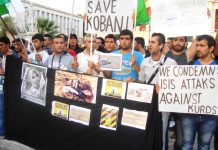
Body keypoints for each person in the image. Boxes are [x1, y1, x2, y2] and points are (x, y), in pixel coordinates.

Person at [138, 33, 177, 150]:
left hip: (162, 104)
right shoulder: (144, 62)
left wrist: (163, 90)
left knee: (161, 132)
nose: (149, 45)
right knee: (147, 130)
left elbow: (175, 86)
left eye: (153, 42)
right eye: (149, 42)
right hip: (148, 102)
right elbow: (141, 81)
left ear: (161, 45)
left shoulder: (171, 63)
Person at [181, 35, 217, 150]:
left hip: (210, 116)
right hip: (189, 114)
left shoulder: (216, 68)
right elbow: (180, 87)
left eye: (202, 46)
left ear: (211, 48)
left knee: (204, 146)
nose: (198, 48)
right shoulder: (190, 65)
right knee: (186, 145)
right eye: (197, 45)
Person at [163, 36, 197, 150]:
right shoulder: (166, 54)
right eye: (176, 40)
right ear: (171, 42)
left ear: (186, 43)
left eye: (181, 40)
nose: (178, 43)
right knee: (162, 135)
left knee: (180, 141)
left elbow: (197, 40)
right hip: (165, 101)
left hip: (180, 103)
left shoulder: (187, 55)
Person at [0, 36, 19, 138]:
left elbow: (16, 74)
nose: (0, 47)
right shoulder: (1, 55)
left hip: (10, 88)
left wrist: (5, 72)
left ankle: (2, 132)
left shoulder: (14, 57)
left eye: (1, 45)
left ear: (8, 45)